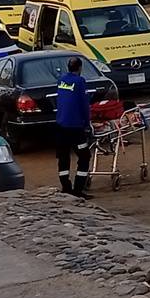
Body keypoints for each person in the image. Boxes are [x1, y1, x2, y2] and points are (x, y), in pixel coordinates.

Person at [53, 56, 95, 196]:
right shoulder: (79, 81)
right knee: (84, 156)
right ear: (80, 68)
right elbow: (84, 105)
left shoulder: (61, 80)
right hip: (75, 127)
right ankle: (78, 189)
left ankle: (66, 187)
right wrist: (87, 124)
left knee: (63, 156)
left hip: (60, 125)